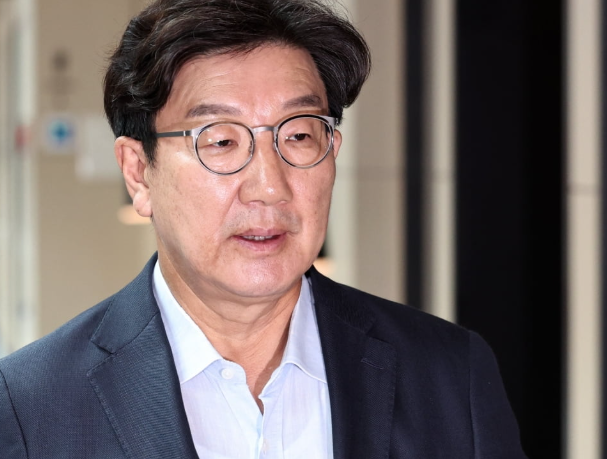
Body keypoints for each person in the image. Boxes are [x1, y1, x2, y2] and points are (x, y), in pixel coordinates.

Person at [0, 0, 527, 457]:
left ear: (332, 153)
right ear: (139, 172)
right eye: (221, 141)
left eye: (298, 135)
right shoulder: (29, 406)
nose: (269, 187)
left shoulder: (451, 376)